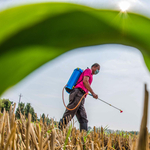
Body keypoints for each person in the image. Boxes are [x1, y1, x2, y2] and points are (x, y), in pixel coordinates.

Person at [59, 63, 100, 131]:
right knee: (70, 112)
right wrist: (93, 93)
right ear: (94, 67)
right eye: (98, 69)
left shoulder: (91, 74)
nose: (98, 71)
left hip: (81, 96)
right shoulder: (88, 70)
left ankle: (84, 136)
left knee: (83, 117)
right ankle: (59, 129)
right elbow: (85, 81)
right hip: (78, 93)